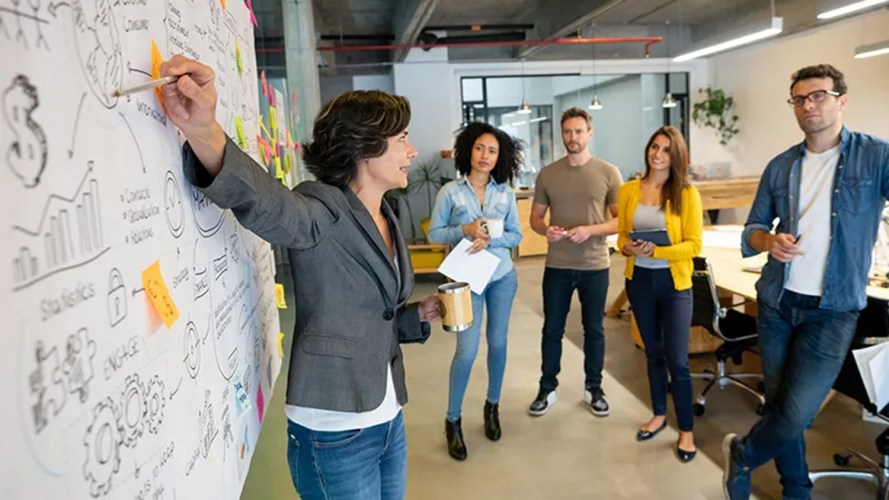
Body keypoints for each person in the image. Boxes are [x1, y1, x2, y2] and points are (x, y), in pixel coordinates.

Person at [159, 55, 441, 500]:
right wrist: (204, 131)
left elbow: (368, 314)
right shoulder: (320, 208)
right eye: (401, 139)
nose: (411, 151)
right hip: (334, 433)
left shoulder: (384, 213)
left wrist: (416, 314)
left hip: (387, 415)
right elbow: (268, 204)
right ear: (366, 147)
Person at [722, 64, 889, 499]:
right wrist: (768, 241)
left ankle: (743, 453)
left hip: (833, 310)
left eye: (818, 96)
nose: (808, 105)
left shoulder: (876, 156)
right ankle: (796, 489)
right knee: (779, 406)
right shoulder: (781, 166)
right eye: (799, 99)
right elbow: (751, 230)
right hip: (779, 301)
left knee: (797, 413)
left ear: (841, 100)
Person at [427, 122, 523, 461]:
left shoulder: (506, 194)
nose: (485, 156)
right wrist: (463, 230)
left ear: (500, 157)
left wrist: (493, 239)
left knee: (498, 344)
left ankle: (492, 406)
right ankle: (452, 420)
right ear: (468, 150)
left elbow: (517, 236)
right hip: (467, 282)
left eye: (492, 151)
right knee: (466, 352)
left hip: (501, 278)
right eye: (480, 148)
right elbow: (434, 235)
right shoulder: (450, 193)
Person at [528, 107, 623, 417]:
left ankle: (594, 388)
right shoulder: (548, 174)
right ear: (562, 135)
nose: (572, 137)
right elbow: (536, 218)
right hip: (557, 265)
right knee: (552, 329)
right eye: (567, 132)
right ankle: (547, 387)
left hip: (595, 265)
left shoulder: (609, 173)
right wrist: (547, 231)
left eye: (578, 131)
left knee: (594, 329)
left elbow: (621, 222)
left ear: (589, 133)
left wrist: (590, 230)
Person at [617, 126, 702, 463]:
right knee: (652, 353)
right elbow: (622, 234)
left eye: (666, 150)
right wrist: (626, 246)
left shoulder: (686, 194)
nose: (658, 154)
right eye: (654, 147)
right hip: (639, 281)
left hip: (674, 285)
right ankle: (657, 413)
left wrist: (658, 252)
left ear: (676, 156)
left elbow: (694, 245)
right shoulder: (628, 191)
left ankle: (686, 431)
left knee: (678, 361)